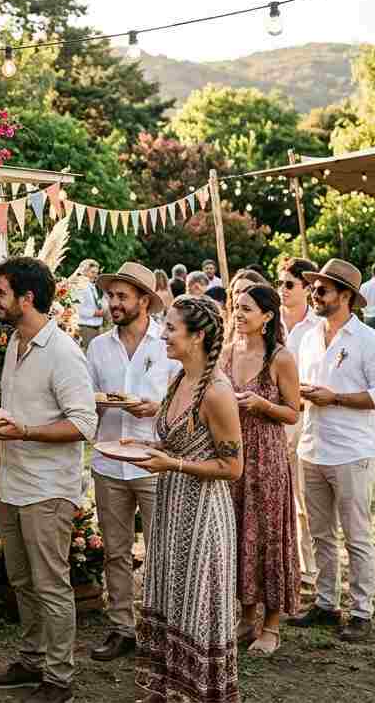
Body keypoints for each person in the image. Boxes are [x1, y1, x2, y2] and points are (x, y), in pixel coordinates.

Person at [0, 257, 97, 703]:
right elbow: (11, 414)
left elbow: (84, 424)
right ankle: (31, 661)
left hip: (48, 490)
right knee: (22, 582)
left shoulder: (63, 352)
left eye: (1, 291)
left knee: (51, 586)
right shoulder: (15, 342)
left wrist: (25, 433)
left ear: (27, 298)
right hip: (13, 482)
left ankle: (59, 679)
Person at [129, 295, 243, 703]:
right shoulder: (179, 380)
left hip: (203, 515)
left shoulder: (217, 392)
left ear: (197, 337)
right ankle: (167, 688)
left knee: (196, 603)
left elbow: (232, 467)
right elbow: (181, 440)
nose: (163, 335)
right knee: (167, 596)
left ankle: (196, 694)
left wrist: (173, 464)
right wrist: (145, 447)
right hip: (170, 508)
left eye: (171, 328)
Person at [287, 259, 375, 642]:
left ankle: (362, 612)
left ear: (346, 296)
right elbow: (302, 387)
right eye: (313, 289)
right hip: (312, 446)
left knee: (356, 536)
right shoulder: (308, 337)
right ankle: (326, 603)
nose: (313, 295)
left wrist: (335, 398)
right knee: (320, 534)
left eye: (322, 290)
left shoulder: (370, 340)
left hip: (352, 451)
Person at [84, 263, 179, 662]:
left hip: (153, 461)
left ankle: (162, 629)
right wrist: (98, 403)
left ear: (144, 300)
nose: (114, 303)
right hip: (109, 461)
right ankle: (122, 627)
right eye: (111, 296)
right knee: (115, 550)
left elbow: (186, 402)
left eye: (123, 296)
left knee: (162, 550)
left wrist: (158, 408)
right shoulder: (97, 347)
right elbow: (87, 399)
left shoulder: (167, 344)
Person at [223, 283, 301, 655]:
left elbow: (293, 412)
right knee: (240, 534)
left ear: (267, 316)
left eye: (247, 309)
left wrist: (262, 405)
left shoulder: (280, 358)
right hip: (234, 454)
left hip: (268, 456)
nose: (238, 314)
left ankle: (271, 626)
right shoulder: (227, 352)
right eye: (236, 307)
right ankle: (245, 617)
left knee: (268, 537)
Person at [278, 257, 322, 596]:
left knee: (303, 496)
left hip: (306, 415)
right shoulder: (270, 320)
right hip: (273, 415)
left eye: (289, 284)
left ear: (307, 288)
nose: (283, 290)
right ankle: (282, 563)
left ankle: (309, 568)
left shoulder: (318, 326)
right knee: (275, 493)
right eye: (280, 283)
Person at [75, 258, 105, 347]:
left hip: (96, 328)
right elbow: (76, 307)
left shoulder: (91, 286)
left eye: (96, 273)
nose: (95, 276)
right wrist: (94, 313)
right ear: (84, 271)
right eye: (92, 272)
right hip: (85, 328)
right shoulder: (79, 285)